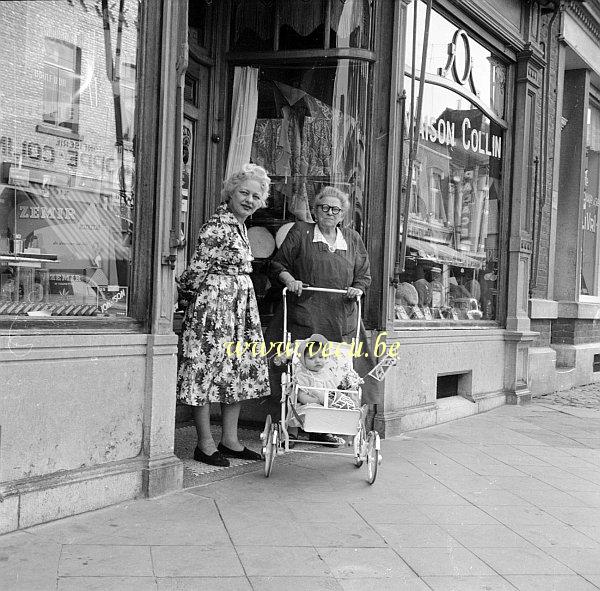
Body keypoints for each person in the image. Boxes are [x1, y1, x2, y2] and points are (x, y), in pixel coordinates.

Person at [177, 164, 271, 467]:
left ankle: (230, 440)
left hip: (239, 308)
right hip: (214, 309)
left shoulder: (240, 225)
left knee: (238, 370)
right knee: (205, 371)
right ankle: (204, 444)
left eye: (256, 196)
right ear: (230, 192)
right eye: (244, 192)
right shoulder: (216, 227)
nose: (249, 200)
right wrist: (193, 301)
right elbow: (193, 272)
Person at [266, 186, 376, 444]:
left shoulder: (352, 238)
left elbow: (364, 276)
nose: (329, 212)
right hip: (305, 315)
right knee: (299, 372)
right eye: (323, 207)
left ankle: (325, 426)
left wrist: (356, 289)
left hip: (340, 318)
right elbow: (277, 264)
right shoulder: (300, 232)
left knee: (334, 372)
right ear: (315, 210)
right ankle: (292, 426)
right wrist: (290, 280)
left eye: (335, 209)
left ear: (343, 215)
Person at [294, 334, 361, 410]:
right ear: (303, 360)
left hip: (331, 405)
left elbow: (336, 390)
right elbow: (301, 396)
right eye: (311, 358)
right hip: (313, 406)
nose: (317, 361)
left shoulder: (328, 373)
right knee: (311, 409)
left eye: (321, 357)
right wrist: (317, 401)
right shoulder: (303, 375)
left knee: (346, 402)